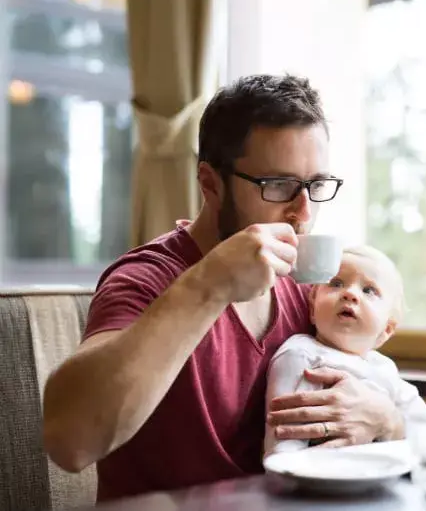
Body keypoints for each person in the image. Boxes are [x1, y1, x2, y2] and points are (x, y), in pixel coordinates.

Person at [41, 74, 406, 502]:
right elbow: (69, 442)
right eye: (279, 185)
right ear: (211, 183)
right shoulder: (146, 278)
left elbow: (369, 398)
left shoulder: (307, 290)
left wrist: (386, 420)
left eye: (316, 186)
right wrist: (209, 284)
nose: (304, 212)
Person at [263, 244, 426, 459]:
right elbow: (282, 441)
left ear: (386, 329)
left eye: (369, 290)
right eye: (336, 283)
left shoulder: (384, 368)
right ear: (312, 309)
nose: (350, 293)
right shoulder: (300, 354)